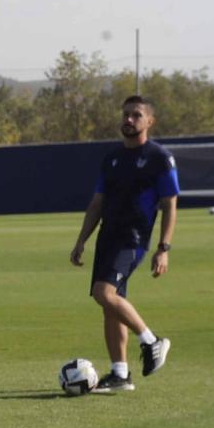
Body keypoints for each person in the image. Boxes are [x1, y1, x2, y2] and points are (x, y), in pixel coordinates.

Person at [70, 96, 177, 391]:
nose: (129, 120)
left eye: (136, 115)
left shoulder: (159, 158)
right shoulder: (112, 158)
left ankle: (152, 341)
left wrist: (163, 248)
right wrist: (82, 240)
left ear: (149, 122)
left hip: (133, 239)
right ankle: (120, 374)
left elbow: (170, 204)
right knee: (110, 306)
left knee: (103, 293)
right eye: (126, 114)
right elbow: (97, 204)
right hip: (108, 237)